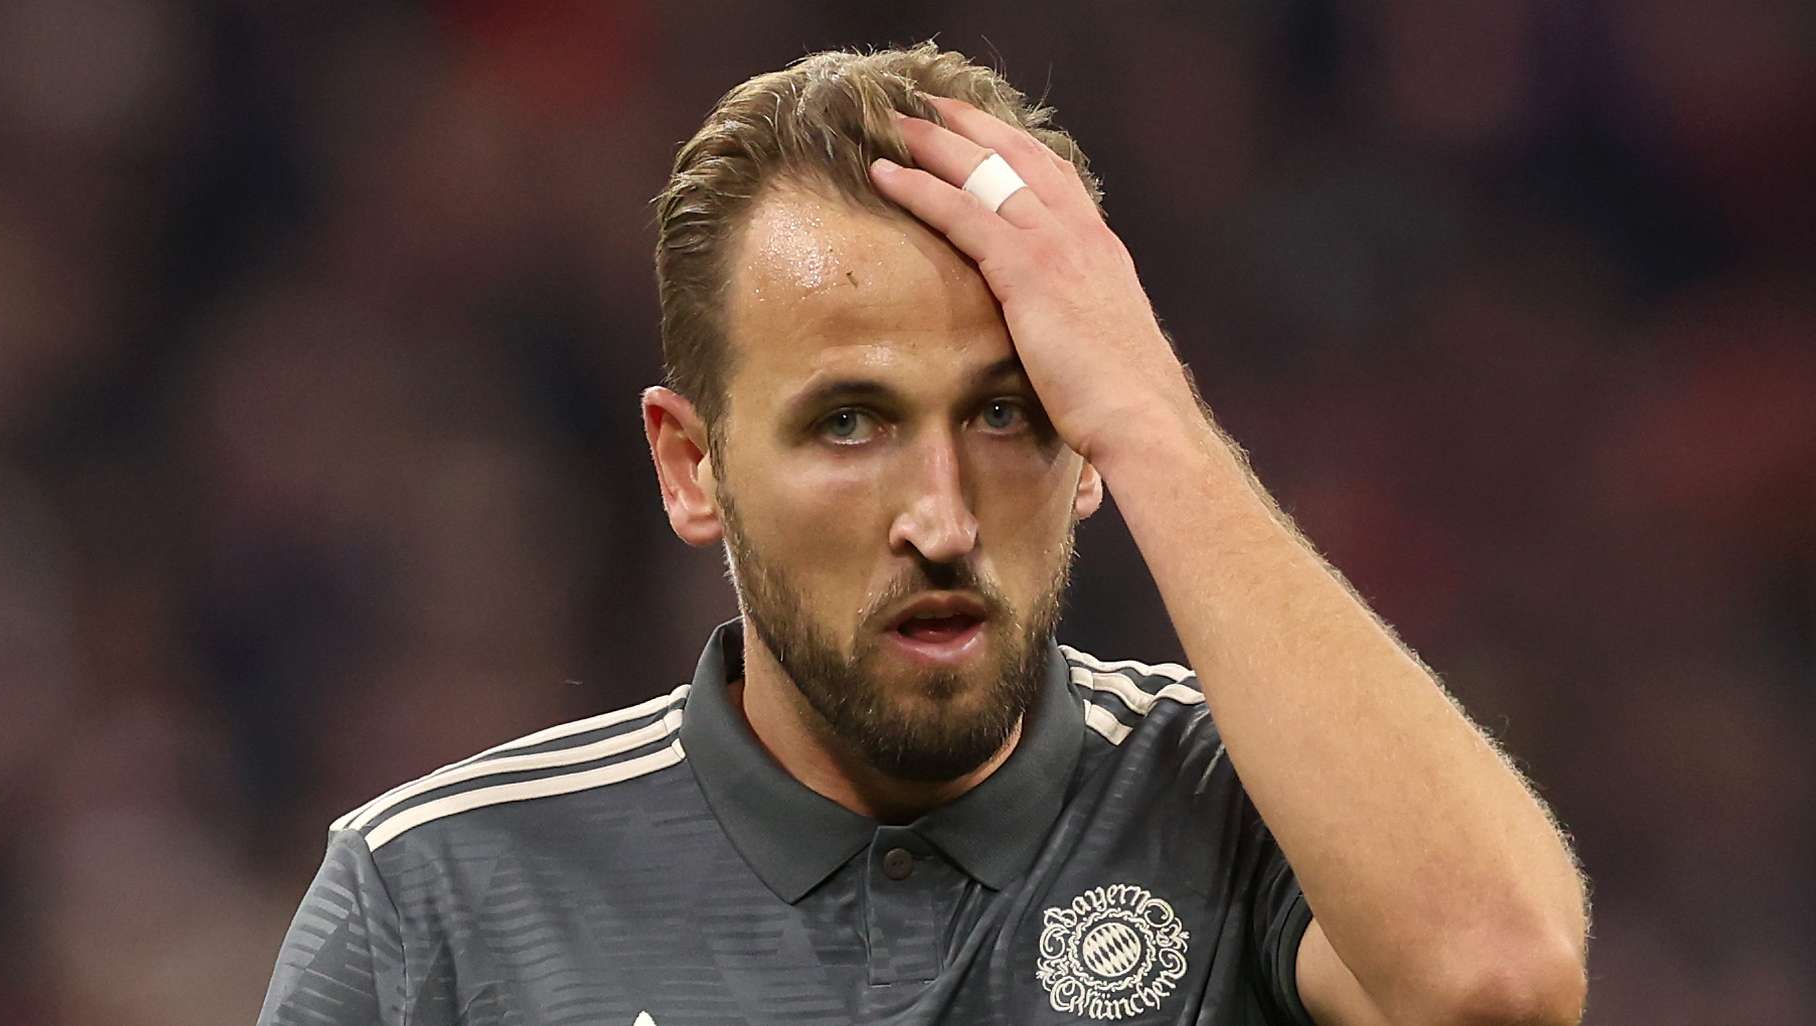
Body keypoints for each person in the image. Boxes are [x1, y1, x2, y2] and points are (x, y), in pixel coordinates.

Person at [258, 43, 1588, 1026]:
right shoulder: (438, 899)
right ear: (690, 466)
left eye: (1009, 414)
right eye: (849, 423)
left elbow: (1498, 979)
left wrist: (1154, 416)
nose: (943, 521)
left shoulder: (1253, 813)